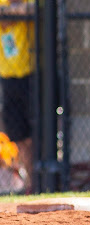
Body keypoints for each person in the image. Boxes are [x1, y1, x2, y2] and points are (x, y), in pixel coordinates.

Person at [0, 0, 34, 194]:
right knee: (17, 135)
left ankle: (35, 181)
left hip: (30, 76)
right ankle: (29, 183)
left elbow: (29, 10)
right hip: (8, 77)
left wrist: (12, 13)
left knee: (33, 135)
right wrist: (13, 13)